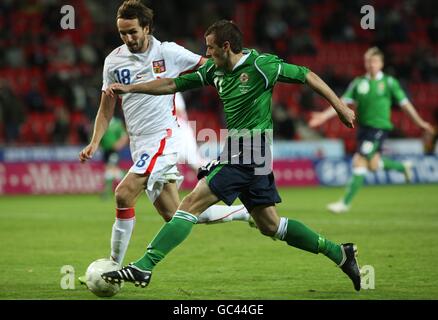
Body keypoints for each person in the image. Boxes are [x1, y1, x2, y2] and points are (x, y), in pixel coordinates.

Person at [101, 20, 362, 291]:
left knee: (190, 204)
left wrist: (340, 107)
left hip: (250, 150)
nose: (207, 54)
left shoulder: (263, 66)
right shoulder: (215, 70)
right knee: (270, 225)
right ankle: (340, 253)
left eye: (211, 48)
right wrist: (131, 89)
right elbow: (171, 84)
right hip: (246, 152)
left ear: (226, 47)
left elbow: (306, 75)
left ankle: (144, 266)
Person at [78, 2, 251, 278]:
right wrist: (95, 141)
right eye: (122, 33)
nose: (128, 38)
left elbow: (211, 66)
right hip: (139, 143)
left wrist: (239, 81)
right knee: (176, 215)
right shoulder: (113, 61)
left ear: (146, 27)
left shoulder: (168, 52)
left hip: (164, 138)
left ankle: (113, 265)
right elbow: (106, 108)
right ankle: (244, 212)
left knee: (123, 193)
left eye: (133, 32)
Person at [309, 47, 436, 214]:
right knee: (374, 165)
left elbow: (405, 105)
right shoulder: (359, 82)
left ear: (381, 63)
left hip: (379, 128)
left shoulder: (390, 83)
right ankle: (402, 167)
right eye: (368, 61)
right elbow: (342, 103)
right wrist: (323, 117)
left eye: (374, 61)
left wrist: (419, 122)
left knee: (359, 160)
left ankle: (345, 203)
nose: (371, 64)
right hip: (363, 128)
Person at [99, 116, 129, 199]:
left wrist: (119, 144)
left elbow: (124, 136)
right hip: (105, 151)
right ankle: (127, 186)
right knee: (112, 171)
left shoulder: (117, 123)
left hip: (113, 151)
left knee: (110, 169)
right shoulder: (102, 121)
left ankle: (106, 192)